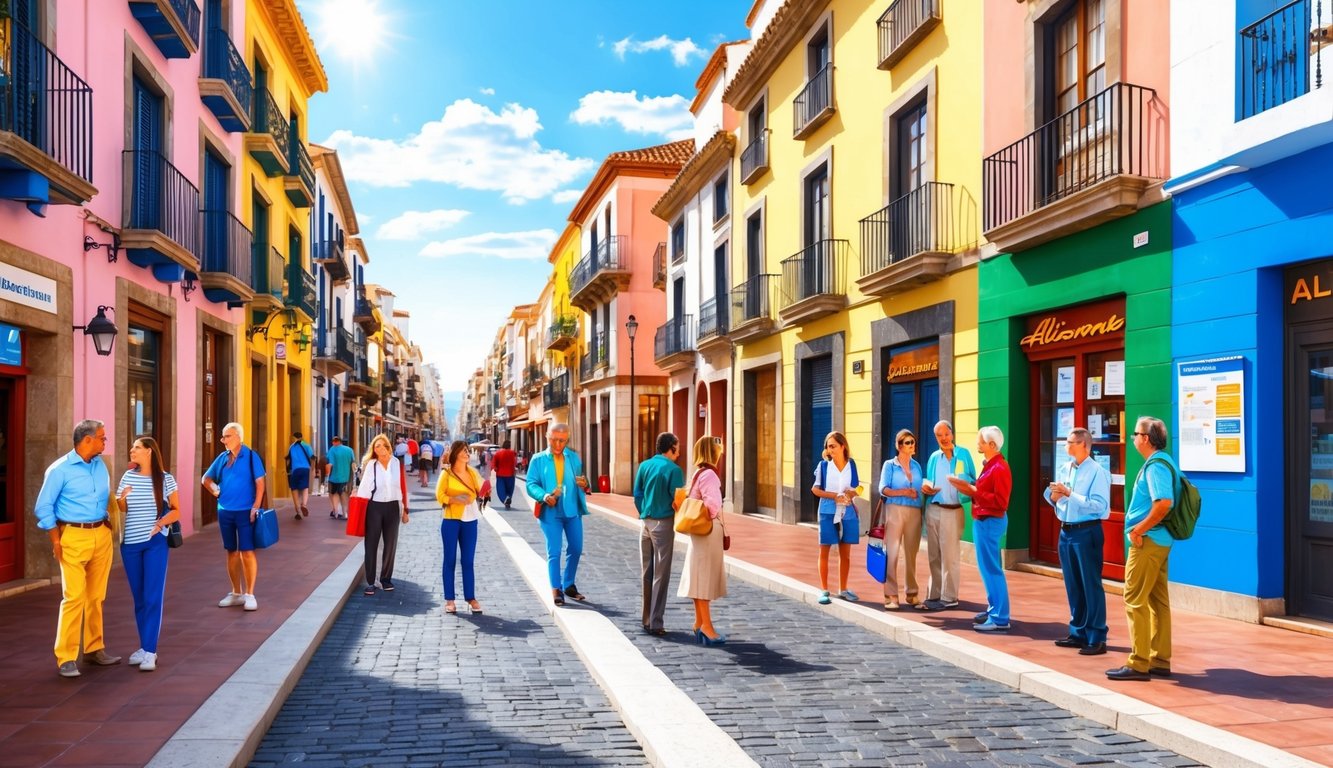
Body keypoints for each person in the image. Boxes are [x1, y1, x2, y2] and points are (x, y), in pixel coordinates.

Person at [35, 419, 122, 677]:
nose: (105, 442)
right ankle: (66, 657)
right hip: (72, 535)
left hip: (101, 535)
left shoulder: (100, 466)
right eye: (102, 438)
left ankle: (94, 649)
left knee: (96, 596)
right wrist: (55, 541)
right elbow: (43, 507)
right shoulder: (59, 470)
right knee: (74, 597)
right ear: (87, 440)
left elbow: (105, 498)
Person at [1107, 416, 1177, 681]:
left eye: (1135, 433)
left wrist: (1138, 530)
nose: (1132, 437)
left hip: (1148, 542)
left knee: (1134, 599)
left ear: (1145, 439)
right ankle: (1159, 658)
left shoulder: (1156, 466)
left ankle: (1139, 662)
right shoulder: (1163, 461)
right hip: (1159, 541)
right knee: (1158, 601)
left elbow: (1164, 503)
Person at [1044, 427, 1112, 656]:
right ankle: (1078, 632)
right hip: (1066, 531)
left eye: (1071, 441)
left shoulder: (1097, 472)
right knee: (1072, 584)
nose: (1066, 445)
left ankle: (1097, 636)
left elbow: (1100, 506)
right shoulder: (1065, 467)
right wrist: (1054, 496)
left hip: (1087, 531)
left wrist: (1070, 494)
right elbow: (1051, 495)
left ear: (1083, 444)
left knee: (1090, 584)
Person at [115, 435, 180, 672]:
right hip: (130, 545)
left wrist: (160, 523)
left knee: (153, 597)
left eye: (137, 447)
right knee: (139, 598)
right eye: (132, 447)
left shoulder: (165, 480)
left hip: (154, 544)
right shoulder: (127, 476)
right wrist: (121, 499)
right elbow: (123, 508)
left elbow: (176, 511)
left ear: (149, 452)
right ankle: (143, 646)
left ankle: (150, 652)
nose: (132, 450)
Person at [948, 426, 1012, 632]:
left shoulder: (999, 467)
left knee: (992, 569)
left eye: (981, 441)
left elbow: (1001, 502)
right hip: (984, 520)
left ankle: (1000, 617)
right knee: (987, 570)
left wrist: (973, 491)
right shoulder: (991, 465)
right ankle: (994, 608)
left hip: (990, 521)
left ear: (992, 445)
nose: (978, 444)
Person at [525, 423, 592, 606]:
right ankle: (556, 589)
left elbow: (583, 482)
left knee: (576, 548)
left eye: (562, 441)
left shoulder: (574, 458)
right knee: (554, 551)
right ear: (547, 437)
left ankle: (568, 584)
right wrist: (544, 495)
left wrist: (585, 484)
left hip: (572, 511)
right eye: (554, 440)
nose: (557, 444)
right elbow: (530, 484)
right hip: (550, 513)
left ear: (567, 440)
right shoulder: (538, 460)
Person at [202, 422, 266, 612]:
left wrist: (255, 507)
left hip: (246, 512)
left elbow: (260, 484)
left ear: (238, 437)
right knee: (231, 551)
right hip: (225, 511)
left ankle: (250, 594)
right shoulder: (222, 458)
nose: (223, 440)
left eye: (227, 436)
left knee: (247, 551)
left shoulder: (251, 456)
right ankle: (236, 593)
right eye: (223, 437)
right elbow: (205, 479)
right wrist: (215, 490)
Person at [919, 421, 977, 611]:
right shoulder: (934, 457)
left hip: (953, 510)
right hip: (934, 508)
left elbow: (973, 480)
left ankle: (950, 596)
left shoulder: (963, 454)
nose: (943, 438)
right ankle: (934, 593)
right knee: (934, 555)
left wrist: (961, 482)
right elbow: (929, 478)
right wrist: (926, 486)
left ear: (952, 434)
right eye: (938, 435)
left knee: (950, 556)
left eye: (945, 434)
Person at [633, 432, 684, 636]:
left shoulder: (644, 466)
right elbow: (678, 499)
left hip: (645, 522)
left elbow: (637, 494)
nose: (679, 452)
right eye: (677, 447)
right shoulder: (674, 469)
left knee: (647, 572)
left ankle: (646, 619)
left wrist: (644, 511)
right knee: (661, 575)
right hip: (663, 523)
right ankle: (655, 622)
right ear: (671, 447)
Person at [679, 436, 727, 645]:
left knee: (698, 575)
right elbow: (713, 505)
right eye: (719, 450)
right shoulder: (710, 475)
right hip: (708, 531)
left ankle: (699, 622)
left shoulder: (698, 473)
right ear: (712, 453)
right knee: (704, 578)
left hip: (698, 532)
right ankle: (707, 627)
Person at [352, 434, 409, 596]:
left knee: (390, 545)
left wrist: (404, 509)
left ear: (388, 446)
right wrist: (360, 507)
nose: (380, 448)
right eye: (377, 446)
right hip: (374, 507)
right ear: (374, 449)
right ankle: (370, 582)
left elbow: (401, 487)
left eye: (383, 445)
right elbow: (364, 488)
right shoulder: (372, 465)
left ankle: (385, 579)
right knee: (371, 544)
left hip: (393, 506)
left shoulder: (396, 463)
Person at [812, 431, 862, 605]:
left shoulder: (852, 465)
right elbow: (815, 490)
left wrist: (852, 492)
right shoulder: (823, 466)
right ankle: (824, 589)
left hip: (847, 510)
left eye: (833, 446)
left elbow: (858, 486)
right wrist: (835, 496)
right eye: (828, 446)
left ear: (842, 446)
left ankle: (843, 589)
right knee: (824, 550)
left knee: (845, 553)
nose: (829, 449)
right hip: (827, 510)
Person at [437, 440, 485, 614]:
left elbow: (482, 489)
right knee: (449, 559)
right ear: (456, 454)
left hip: (471, 520)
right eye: (464, 451)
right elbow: (439, 495)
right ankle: (450, 599)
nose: (467, 454)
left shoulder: (473, 472)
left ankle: (471, 598)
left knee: (468, 561)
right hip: (451, 520)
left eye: (467, 451)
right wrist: (454, 499)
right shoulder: (446, 474)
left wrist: (488, 487)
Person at [878, 429, 923, 610]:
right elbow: (883, 488)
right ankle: (891, 595)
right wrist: (903, 492)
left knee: (911, 554)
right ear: (899, 445)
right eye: (907, 442)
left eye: (912, 442)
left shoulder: (917, 466)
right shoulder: (890, 465)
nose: (911, 445)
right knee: (893, 553)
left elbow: (920, 488)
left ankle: (912, 594)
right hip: (894, 510)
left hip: (914, 512)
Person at [324, 436, 356, 519]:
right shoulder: (349, 450)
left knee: (334, 494)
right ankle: (345, 513)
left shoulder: (332, 450)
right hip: (346, 477)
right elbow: (353, 463)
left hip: (334, 477)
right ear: (341, 441)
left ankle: (336, 512)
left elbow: (330, 464)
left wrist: (327, 475)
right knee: (344, 494)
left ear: (334, 442)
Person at [287, 432, 314, 520]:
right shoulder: (306, 446)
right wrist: (313, 469)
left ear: (294, 437)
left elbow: (288, 460)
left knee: (294, 490)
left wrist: (288, 472)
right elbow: (312, 457)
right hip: (305, 469)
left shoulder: (291, 447)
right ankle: (304, 505)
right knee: (305, 488)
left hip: (295, 470)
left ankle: (298, 511)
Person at [492, 441, 517, 509]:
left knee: (501, 489)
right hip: (511, 474)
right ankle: (508, 498)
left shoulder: (498, 453)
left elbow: (494, 464)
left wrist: (495, 468)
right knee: (510, 489)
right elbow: (515, 460)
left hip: (500, 474)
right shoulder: (512, 453)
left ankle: (505, 499)